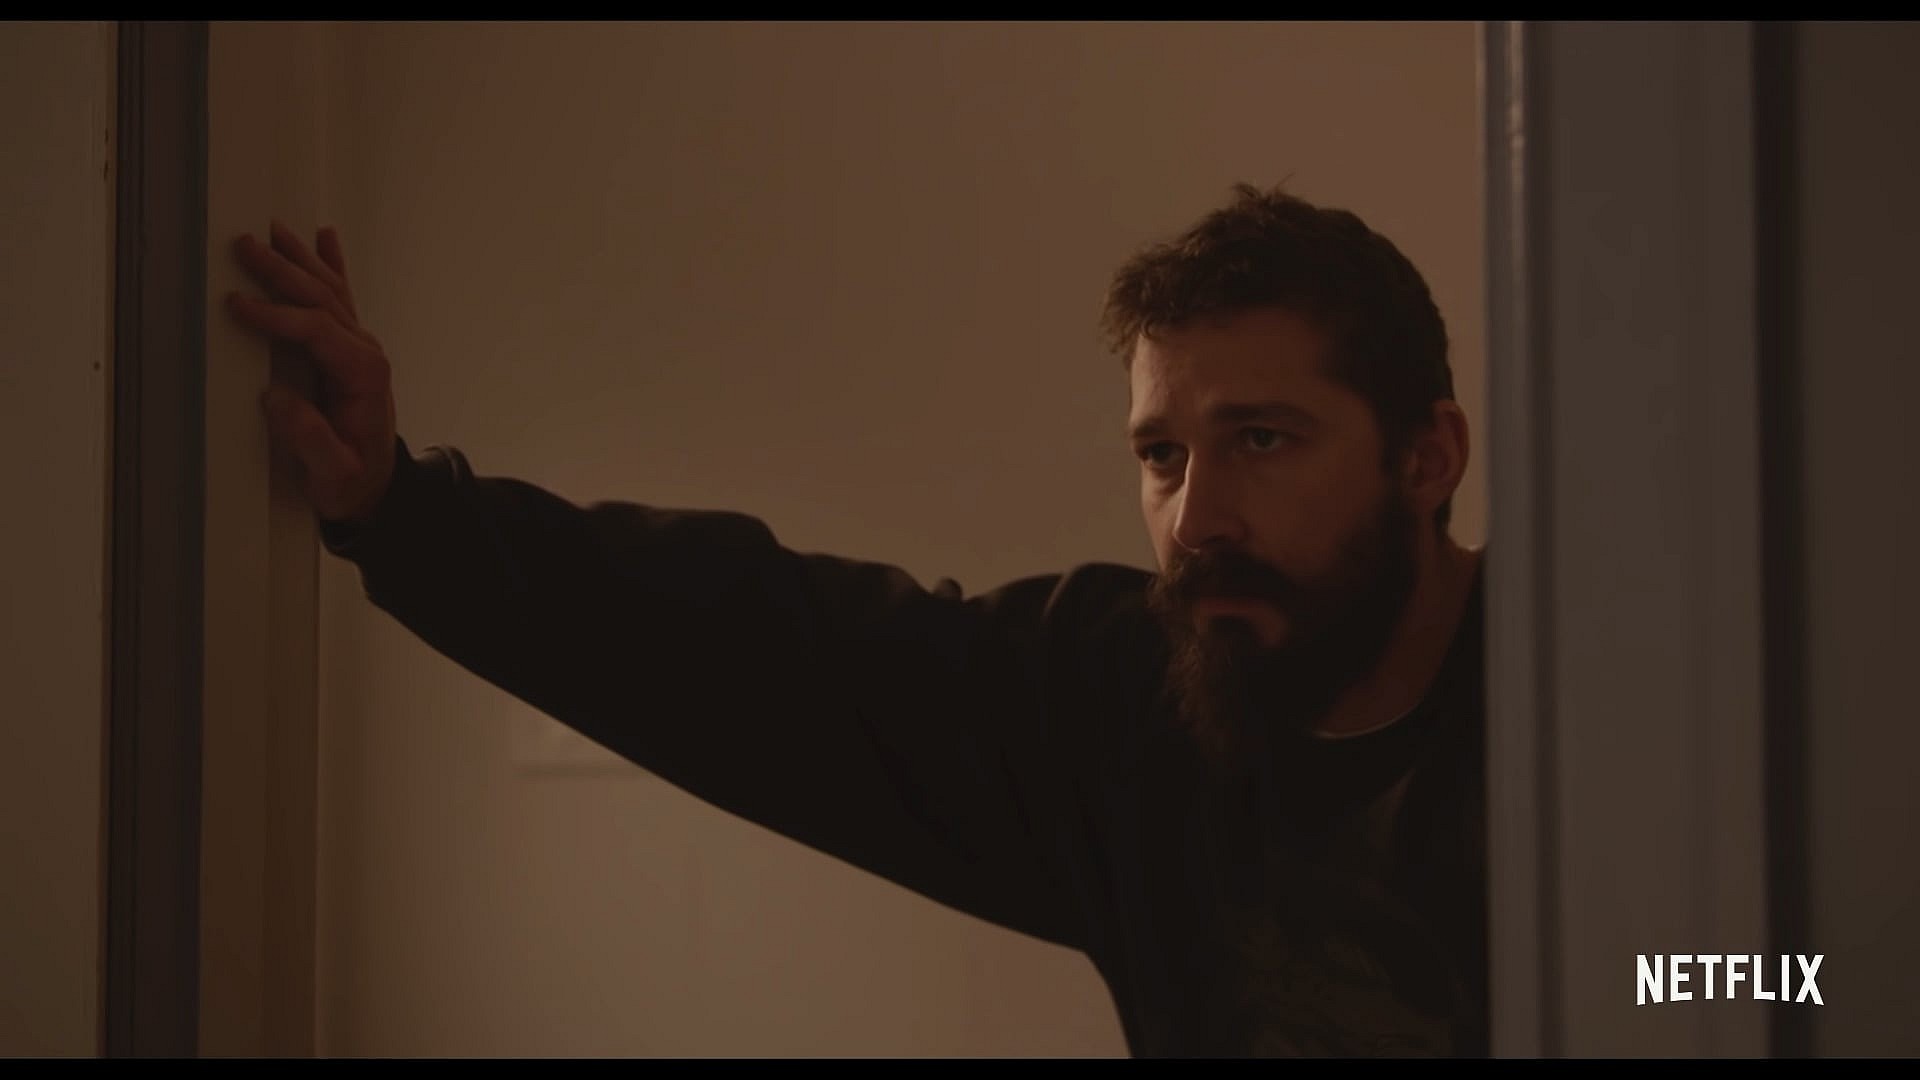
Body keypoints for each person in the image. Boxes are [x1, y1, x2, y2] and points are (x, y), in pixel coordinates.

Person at [225, 183, 1487, 1058]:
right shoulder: (1123, 704)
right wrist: (399, 509)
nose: (1196, 518)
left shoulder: (1577, 713)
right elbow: (758, 648)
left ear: (1427, 458)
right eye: (1162, 455)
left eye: (1262, 440)